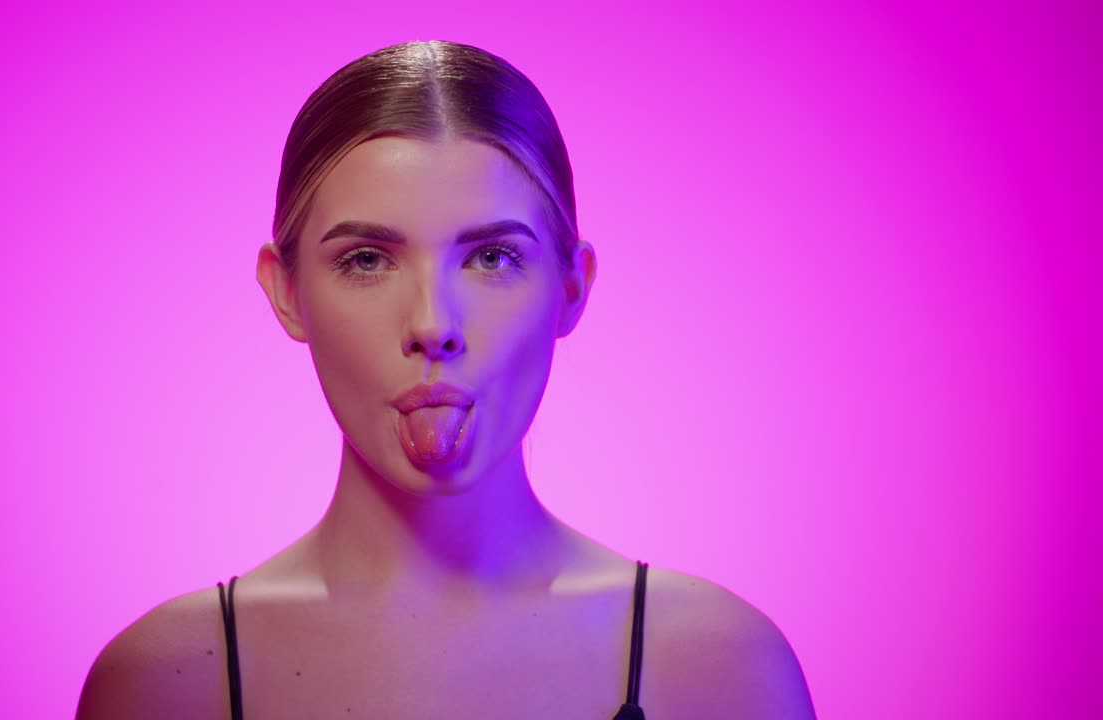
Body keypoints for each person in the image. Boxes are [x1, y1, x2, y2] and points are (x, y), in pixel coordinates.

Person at [76, 40, 816, 719]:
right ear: (287, 291)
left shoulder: (723, 671)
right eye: (367, 259)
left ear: (571, 287)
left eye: (492, 257)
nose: (433, 324)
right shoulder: (162, 683)